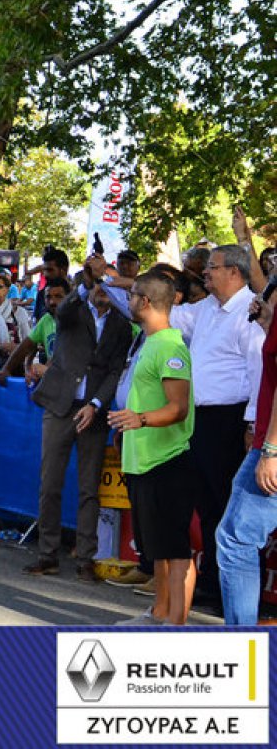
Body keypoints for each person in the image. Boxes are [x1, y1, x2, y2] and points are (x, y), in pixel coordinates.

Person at [168, 243, 265, 607]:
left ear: (234, 272)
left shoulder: (251, 311)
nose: (205, 272)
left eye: (213, 266)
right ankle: (212, 582)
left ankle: (235, 594)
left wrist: (252, 424)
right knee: (207, 504)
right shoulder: (207, 307)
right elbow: (166, 316)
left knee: (230, 507)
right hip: (201, 419)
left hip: (231, 420)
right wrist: (119, 284)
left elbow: (258, 372)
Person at [21, 270, 133, 579]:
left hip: (93, 412)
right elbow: (64, 309)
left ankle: (86, 557)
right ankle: (47, 554)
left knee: (89, 488)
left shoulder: (122, 324)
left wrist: (95, 404)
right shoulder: (72, 311)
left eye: (107, 287)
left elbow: (115, 371)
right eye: (98, 285)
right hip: (59, 406)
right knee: (50, 484)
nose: (102, 290)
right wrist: (86, 281)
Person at [106, 271, 198, 625]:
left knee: (175, 551)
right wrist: (129, 427)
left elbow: (178, 408)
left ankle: (176, 624)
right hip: (142, 460)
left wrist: (139, 419)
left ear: (144, 301)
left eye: (131, 295)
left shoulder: (171, 347)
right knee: (157, 549)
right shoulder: (150, 342)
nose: (127, 300)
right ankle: (158, 615)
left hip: (166, 461)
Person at [215, 278, 277, 625]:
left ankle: (243, 643)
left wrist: (271, 450)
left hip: (272, 447)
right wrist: (268, 324)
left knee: (235, 538)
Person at [0, 272, 32, 374]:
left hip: (15, 364)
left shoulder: (19, 312)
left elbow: (28, 341)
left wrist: (15, 347)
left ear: (7, 290)